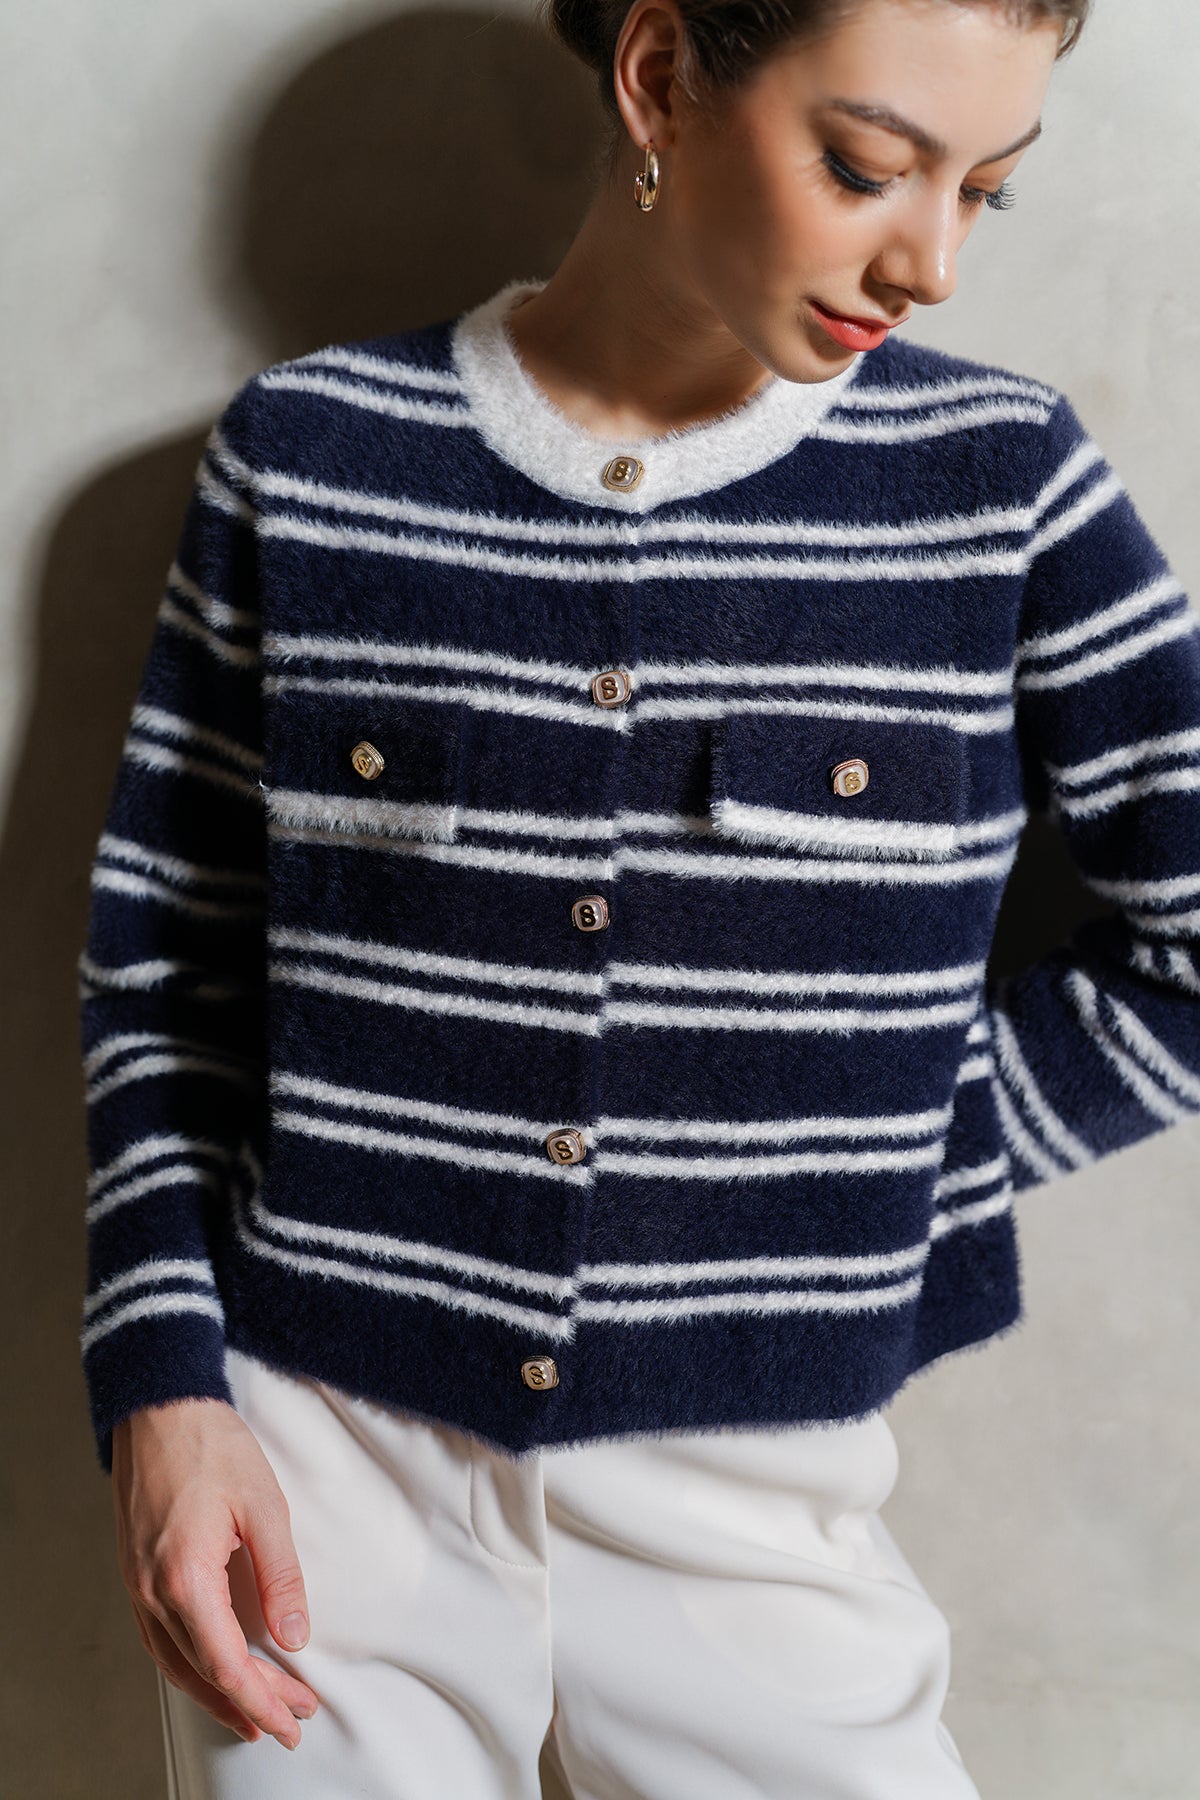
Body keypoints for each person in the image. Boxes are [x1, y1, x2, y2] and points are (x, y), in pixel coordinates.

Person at [77, 0, 1200, 1793]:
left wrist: (897, 1153)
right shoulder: (312, 456)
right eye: (868, 166)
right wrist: (163, 1390)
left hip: (754, 1497)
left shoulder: (1001, 490)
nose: (930, 263)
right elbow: (163, 980)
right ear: (662, 76)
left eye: (987, 191)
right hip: (315, 1468)